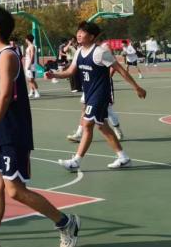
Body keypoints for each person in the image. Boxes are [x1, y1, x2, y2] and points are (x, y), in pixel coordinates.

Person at [0, 7, 80, 247]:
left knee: (15, 190)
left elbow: (5, 95)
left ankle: (66, 223)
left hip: (12, 133)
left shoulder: (7, 56)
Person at [45, 22, 146, 172]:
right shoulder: (79, 52)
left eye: (82, 32)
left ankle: (76, 161)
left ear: (92, 36)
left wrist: (136, 87)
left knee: (87, 125)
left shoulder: (100, 52)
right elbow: (70, 72)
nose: (79, 34)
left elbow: (120, 70)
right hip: (89, 94)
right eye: (78, 31)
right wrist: (54, 75)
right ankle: (123, 158)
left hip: (100, 95)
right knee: (102, 126)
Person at [23, 34, 40, 99]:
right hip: (28, 65)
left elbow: (32, 55)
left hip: (31, 66)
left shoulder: (32, 46)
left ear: (27, 39)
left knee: (31, 79)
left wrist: (30, 64)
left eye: (25, 39)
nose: (25, 40)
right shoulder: (28, 46)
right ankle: (31, 91)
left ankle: (36, 92)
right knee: (28, 79)